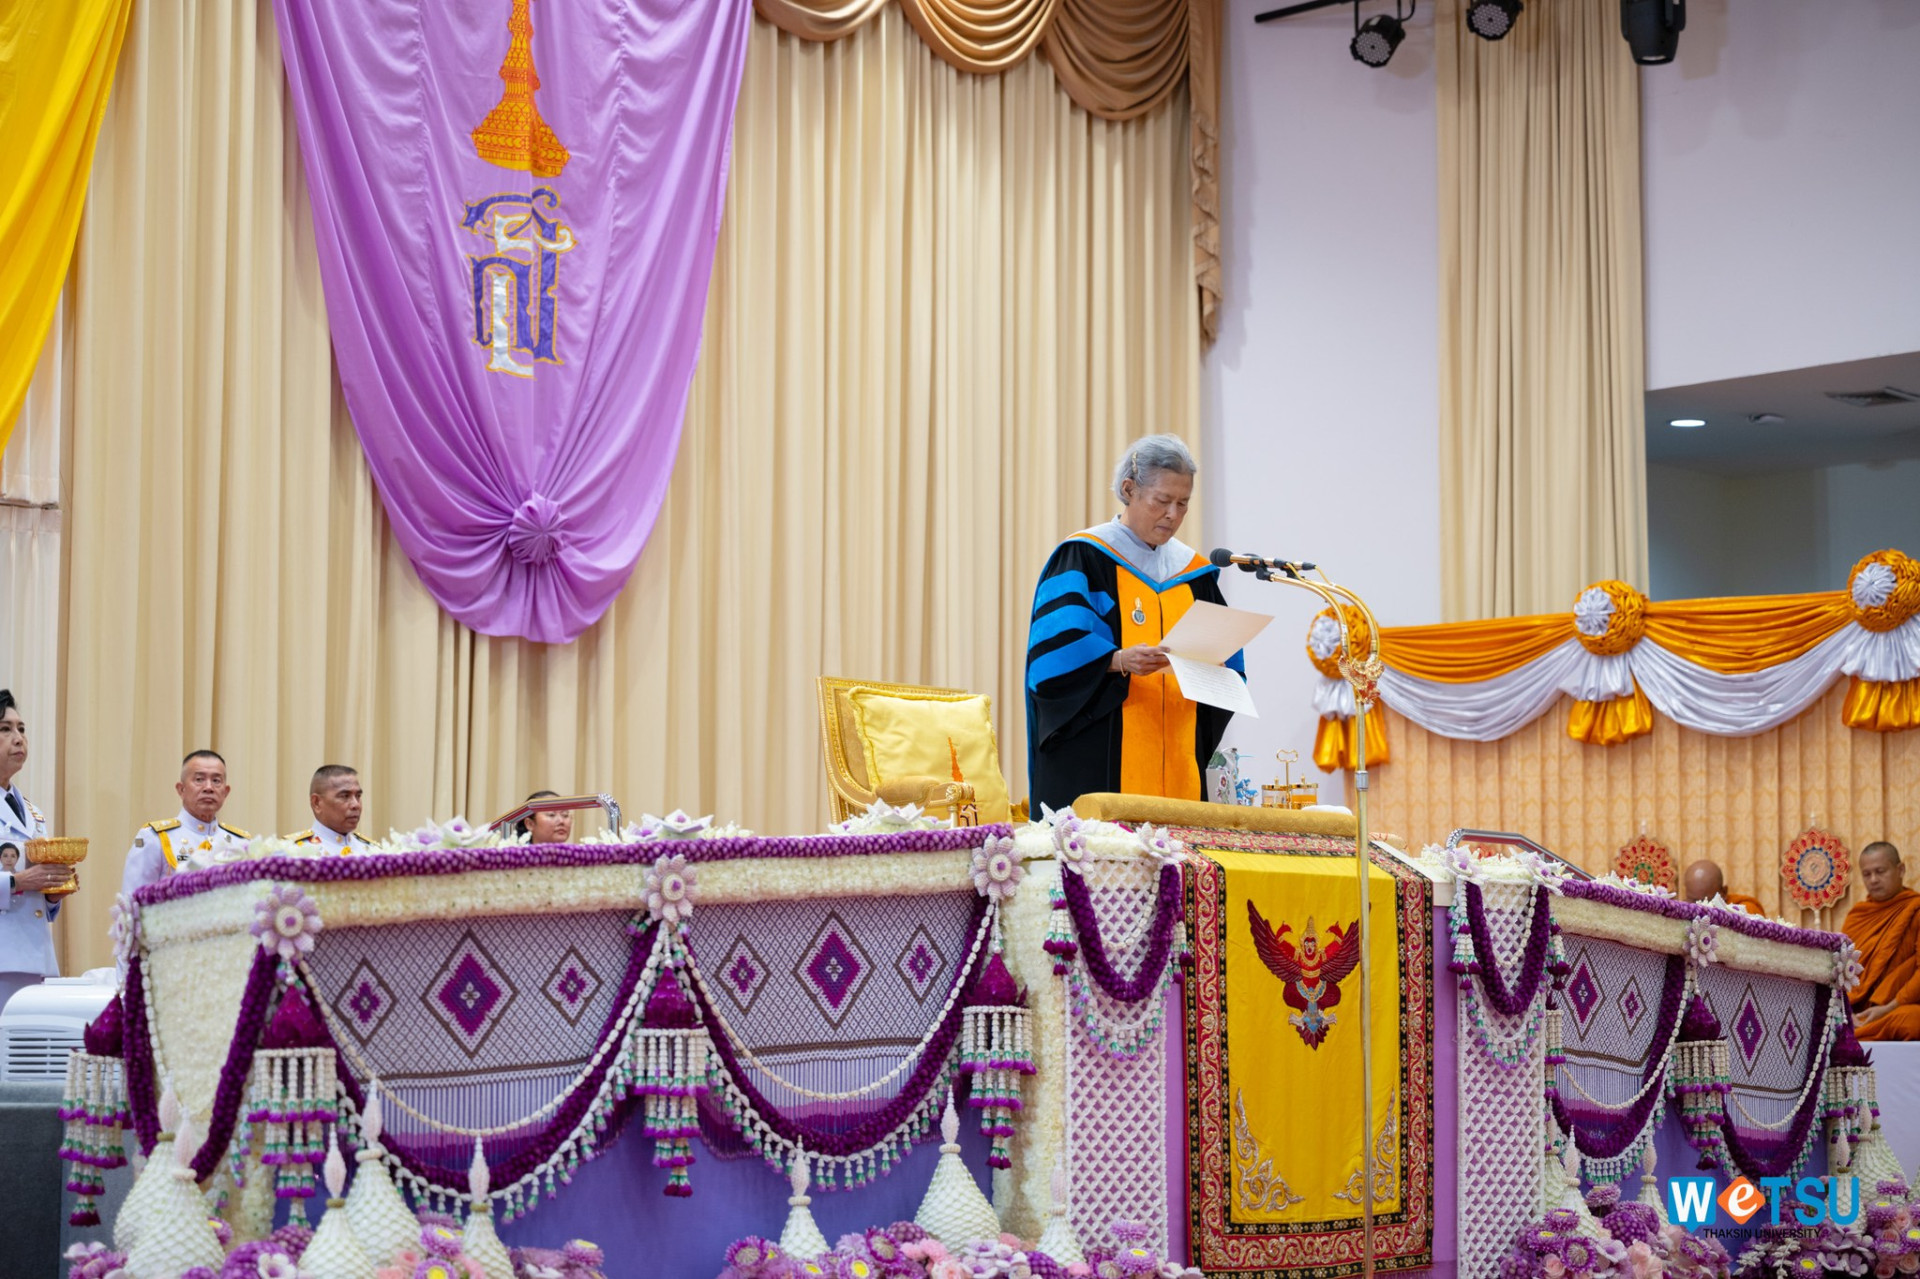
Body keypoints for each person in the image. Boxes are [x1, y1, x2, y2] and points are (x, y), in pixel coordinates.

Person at [1024, 435, 1244, 813]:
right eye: (1162, 500)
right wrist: (1119, 660)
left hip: (1179, 754)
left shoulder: (1194, 574)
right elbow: (1053, 656)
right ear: (1129, 490)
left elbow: (1228, 664)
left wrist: (1219, 671)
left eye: (1183, 503)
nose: (1172, 514)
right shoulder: (1085, 556)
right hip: (1100, 757)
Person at [0, 689, 66, 1013]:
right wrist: (18, 882)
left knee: (30, 1044)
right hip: (4, 957)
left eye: (22, 729)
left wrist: (53, 893)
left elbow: (40, 899)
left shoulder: (32, 812)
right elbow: (21, 880)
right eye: (5, 729)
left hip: (35, 956)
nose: (19, 738)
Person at [121, 751, 252, 896]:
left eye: (216, 781)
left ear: (226, 792)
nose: (209, 787)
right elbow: (132, 900)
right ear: (181, 789)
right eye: (199, 779)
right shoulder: (154, 837)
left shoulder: (240, 842)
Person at [1842, 841, 1920, 1041]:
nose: (1873, 880)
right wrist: (1845, 1011)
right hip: (1858, 1011)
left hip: (1896, 1007)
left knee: (1914, 1021)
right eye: (1867, 874)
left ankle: (1857, 1032)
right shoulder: (1857, 916)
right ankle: (1854, 1027)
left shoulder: (1915, 909)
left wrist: (1887, 1008)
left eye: (1880, 871)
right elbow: (1841, 973)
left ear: (1900, 870)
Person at [288, 765, 373, 853]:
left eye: (358, 796)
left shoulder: (372, 851)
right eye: (345, 796)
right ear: (316, 803)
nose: (356, 805)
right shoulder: (293, 852)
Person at [1680, 858, 1764, 916]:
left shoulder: (1745, 910)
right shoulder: (1683, 909)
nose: (1699, 908)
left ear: (1723, 892)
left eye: (1706, 901)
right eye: (1693, 900)